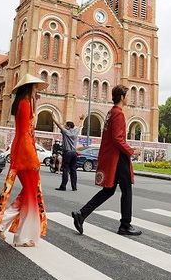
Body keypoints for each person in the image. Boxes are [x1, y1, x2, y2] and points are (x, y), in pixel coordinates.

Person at [0, 73, 48, 247]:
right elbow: (24, 134)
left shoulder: (26, 104)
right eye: (36, 88)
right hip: (25, 153)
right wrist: (33, 159)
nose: (38, 91)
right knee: (30, 195)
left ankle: (2, 224)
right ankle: (20, 236)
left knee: (28, 193)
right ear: (29, 88)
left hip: (23, 151)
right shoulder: (24, 105)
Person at [71, 85, 141, 236]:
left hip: (112, 157)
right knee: (127, 190)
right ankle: (125, 225)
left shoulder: (110, 113)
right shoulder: (119, 114)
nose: (128, 98)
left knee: (108, 190)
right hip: (119, 157)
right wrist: (132, 151)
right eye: (127, 95)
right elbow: (117, 139)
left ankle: (81, 214)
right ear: (122, 97)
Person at [53, 113, 83, 191]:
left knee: (65, 169)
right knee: (73, 170)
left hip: (67, 153)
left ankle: (63, 186)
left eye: (66, 125)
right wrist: (81, 120)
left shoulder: (66, 132)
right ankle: (74, 186)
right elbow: (79, 126)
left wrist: (53, 119)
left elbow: (59, 125)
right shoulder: (75, 132)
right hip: (74, 153)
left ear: (69, 127)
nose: (65, 127)